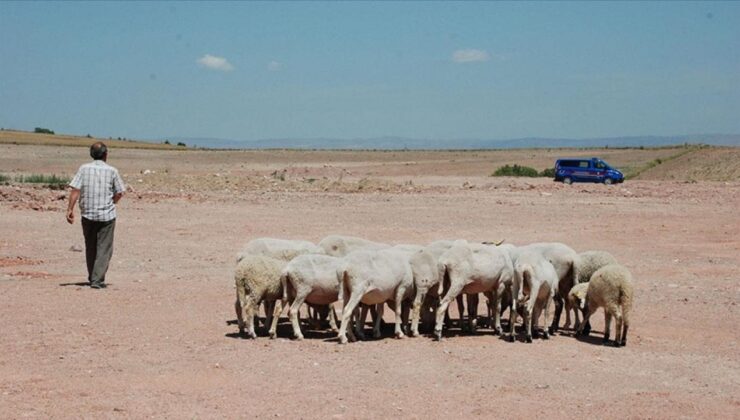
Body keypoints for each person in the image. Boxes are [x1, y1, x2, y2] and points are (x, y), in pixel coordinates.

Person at [66, 142, 125, 289]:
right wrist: (113, 202)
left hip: (88, 214)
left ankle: (93, 276)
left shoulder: (83, 169)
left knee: (90, 246)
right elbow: (120, 192)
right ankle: (97, 279)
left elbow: (75, 190)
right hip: (107, 215)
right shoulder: (112, 171)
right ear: (106, 154)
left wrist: (70, 209)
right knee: (104, 247)